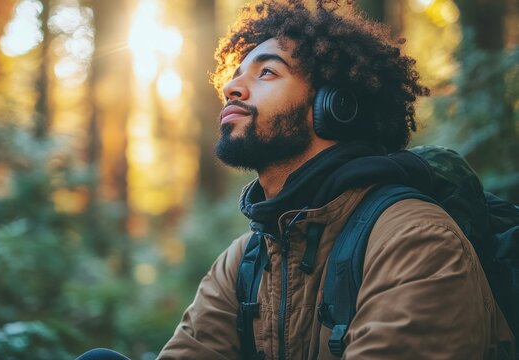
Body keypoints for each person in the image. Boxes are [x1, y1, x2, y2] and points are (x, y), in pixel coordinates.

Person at [157, 0, 515, 359]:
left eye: (266, 72)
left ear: (333, 106)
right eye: (236, 73)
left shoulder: (414, 238)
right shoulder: (244, 259)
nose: (232, 88)